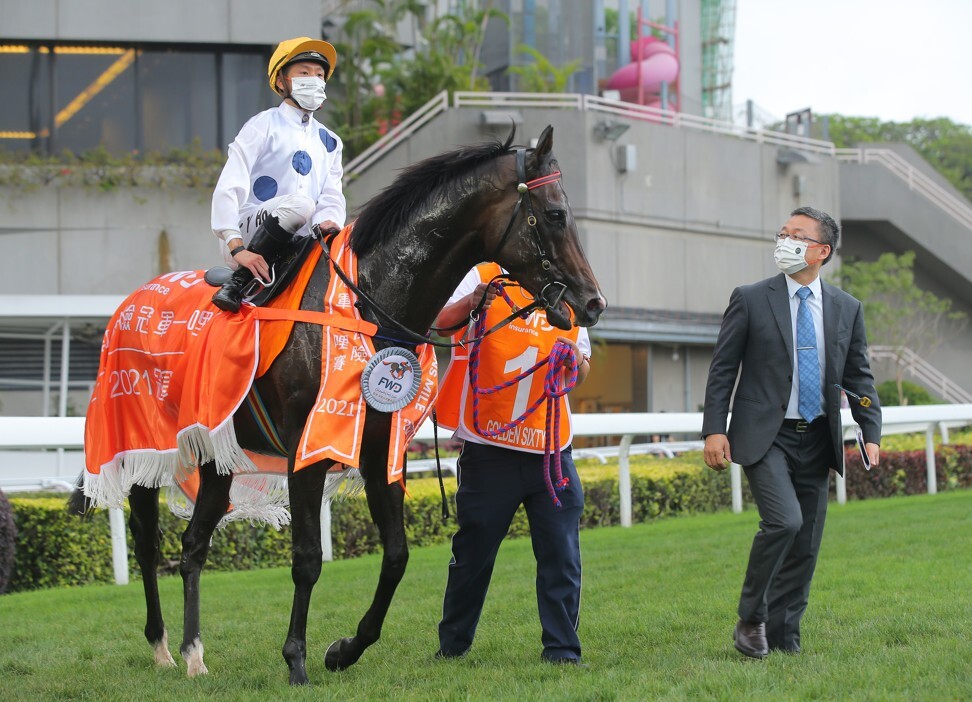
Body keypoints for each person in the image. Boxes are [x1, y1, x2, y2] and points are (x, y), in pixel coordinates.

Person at [702, 206, 882, 659]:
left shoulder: (846, 307)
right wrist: (713, 430)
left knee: (806, 543)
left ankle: (785, 636)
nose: (785, 240)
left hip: (819, 436)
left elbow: (859, 378)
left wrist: (870, 430)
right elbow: (723, 369)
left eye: (797, 235)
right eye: (783, 233)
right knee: (785, 521)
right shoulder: (749, 297)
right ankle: (751, 618)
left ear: (821, 251)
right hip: (766, 436)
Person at [434, 263, 592, 665]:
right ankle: (453, 646)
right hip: (489, 447)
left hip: (552, 448)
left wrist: (573, 360)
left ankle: (562, 651)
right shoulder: (482, 273)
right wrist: (473, 301)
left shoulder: (566, 289)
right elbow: (439, 323)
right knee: (473, 554)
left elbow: (583, 364)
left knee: (562, 555)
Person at [210, 37, 347, 312]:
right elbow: (229, 186)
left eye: (319, 75)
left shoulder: (331, 140)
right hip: (247, 234)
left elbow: (332, 197)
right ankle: (238, 281)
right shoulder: (263, 124)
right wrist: (236, 247)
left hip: (302, 240)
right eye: (304, 73)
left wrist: (331, 228)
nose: (314, 80)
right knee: (301, 204)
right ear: (282, 81)